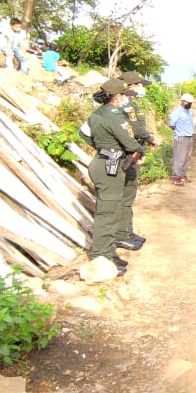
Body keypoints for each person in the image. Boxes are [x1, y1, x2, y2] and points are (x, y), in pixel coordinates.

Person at [80, 78, 145, 276]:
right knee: (106, 214)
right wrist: (138, 150)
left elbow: (83, 133)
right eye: (125, 95)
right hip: (111, 166)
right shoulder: (115, 116)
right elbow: (130, 142)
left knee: (111, 210)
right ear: (117, 96)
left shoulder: (98, 113)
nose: (127, 99)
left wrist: (102, 146)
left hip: (107, 162)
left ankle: (108, 252)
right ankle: (101, 255)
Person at [115, 71, 155, 250]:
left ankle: (127, 231)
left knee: (129, 194)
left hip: (133, 152)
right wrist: (150, 138)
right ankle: (122, 234)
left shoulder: (128, 104)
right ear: (130, 86)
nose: (142, 88)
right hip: (128, 155)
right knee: (125, 195)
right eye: (139, 84)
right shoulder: (126, 106)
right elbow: (136, 130)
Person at [168, 93, 196, 186]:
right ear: (184, 102)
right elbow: (172, 124)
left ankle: (182, 175)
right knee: (179, 158)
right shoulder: (177, 112)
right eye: (189, 103)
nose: (191, 104)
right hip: (181, 137)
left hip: (189, 137)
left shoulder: (188, 110)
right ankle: (176, 177)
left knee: (186, 158)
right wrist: (180, 130)